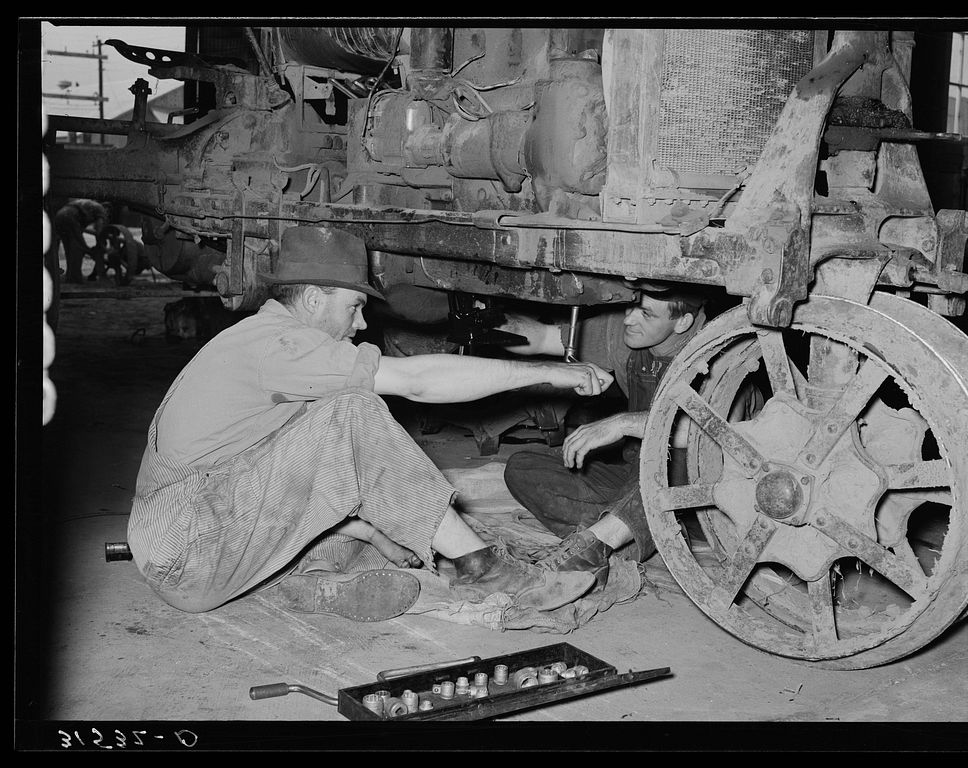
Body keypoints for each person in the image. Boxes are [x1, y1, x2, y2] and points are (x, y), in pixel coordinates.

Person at [127, 225, 614, 621]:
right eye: (354, 306)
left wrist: (372, 531)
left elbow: (295, 472)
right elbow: (418, 382)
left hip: (187, 542)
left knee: (391, 540)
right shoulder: (279, 345)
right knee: (354, 412)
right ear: (315, 299)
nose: (360, 324)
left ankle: (309, 584)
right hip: (188, 548)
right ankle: (484, 569)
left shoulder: (265, 339)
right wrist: (553, 371)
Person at [501, 288, 725, 587]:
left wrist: (621, 423)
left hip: (702, 493)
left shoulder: (720, 352)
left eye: (645, 313)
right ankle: (632, 531)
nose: (628, 319)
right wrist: (485, 320)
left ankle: (597, 544)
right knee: (524, 468)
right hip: (636, 483)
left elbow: (705, 434)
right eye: (631, 307)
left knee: (666, 461)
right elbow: (541, 337)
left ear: (682, 322)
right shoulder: (628, 331)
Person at [50, 199, 109, 284]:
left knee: (69, 249)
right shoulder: (101, 209)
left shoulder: (89, 205)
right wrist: (100, 246)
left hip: (60, 215)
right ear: (106, 209)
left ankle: (70, 277)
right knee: (78, 249)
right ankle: (75, 279)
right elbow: (99, 230)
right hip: (70, 216)